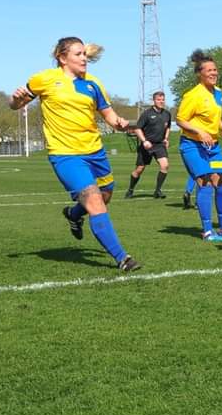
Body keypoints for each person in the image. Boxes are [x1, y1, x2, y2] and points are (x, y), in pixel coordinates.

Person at [9, 38, 140, 272]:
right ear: (62, 57)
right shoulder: (45, 79)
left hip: (95, 151)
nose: (84, 59)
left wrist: (119, 123)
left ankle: (73, 214)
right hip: (65, 154)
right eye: (78, 54)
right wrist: (17, 99)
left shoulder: (93, 83)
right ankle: (122, 258)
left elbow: (109, 115)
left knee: (106, 194)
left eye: (85, 55)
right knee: (95, 201)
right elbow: (15, 105)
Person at [176, 50, 222, 243]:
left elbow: (215, 116)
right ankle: (207, 231)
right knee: (205, 183)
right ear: (199, 73)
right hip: (192, 145)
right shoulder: (193, 95)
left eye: (215, 70)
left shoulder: (218, 93)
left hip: (213, 146)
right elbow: (180, 120)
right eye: (209, 70)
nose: (213, 73)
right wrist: (200, 132)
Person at [125, 90, 172, 199]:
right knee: (139, 169)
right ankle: (130, 189)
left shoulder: (167, 114)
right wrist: (144, 140)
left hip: (159, 145)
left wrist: (166, 138)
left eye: (163, 99)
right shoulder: (147, 114)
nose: (161, 101)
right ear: (154, 101)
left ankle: (158, 190)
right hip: (147, 145)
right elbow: (137, 128)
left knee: (165, 165)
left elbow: (168, 127)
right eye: (159, 100)